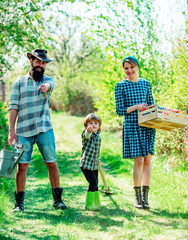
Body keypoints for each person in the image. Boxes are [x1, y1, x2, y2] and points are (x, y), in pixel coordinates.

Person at [8, 49, 67, 211]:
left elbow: (49, 86)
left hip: (44, 129)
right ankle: (19, 203)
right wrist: (11, 131)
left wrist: (45, 87)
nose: (40, 65)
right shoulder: (19, 82)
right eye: (38, 62)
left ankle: (58, 201)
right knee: (22, 167)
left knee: (51, 163)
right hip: (22, 131)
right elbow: (13, 107)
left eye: (43, 63)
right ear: (31, 61)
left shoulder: (49, 80)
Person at [115, 56, 156, 209]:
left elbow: (151, 104)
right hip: (132, 125)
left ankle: (146, 197)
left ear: (137, 67)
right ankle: (137, 197)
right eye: (126, 68)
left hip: (147, 125)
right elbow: (120, 110)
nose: (129, 70)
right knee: (138, 160)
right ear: (124, 70)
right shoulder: (120, 86)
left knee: (147, 160)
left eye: (132, 67)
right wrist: (137, 106)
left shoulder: (146, 84)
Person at [80, 113, 102, 211]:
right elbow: (86, 135)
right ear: (86, 126)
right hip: (86, 165)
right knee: (92, 183)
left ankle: (96, 201)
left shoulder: (98, 137)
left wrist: (97, 159)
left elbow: (96, 151)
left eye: (96, 123)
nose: (93, 125)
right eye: (90, 123)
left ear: (99, 126)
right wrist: (88, 131)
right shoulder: (86, 135)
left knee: (96, 182)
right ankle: (89, 204)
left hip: (94, 165)